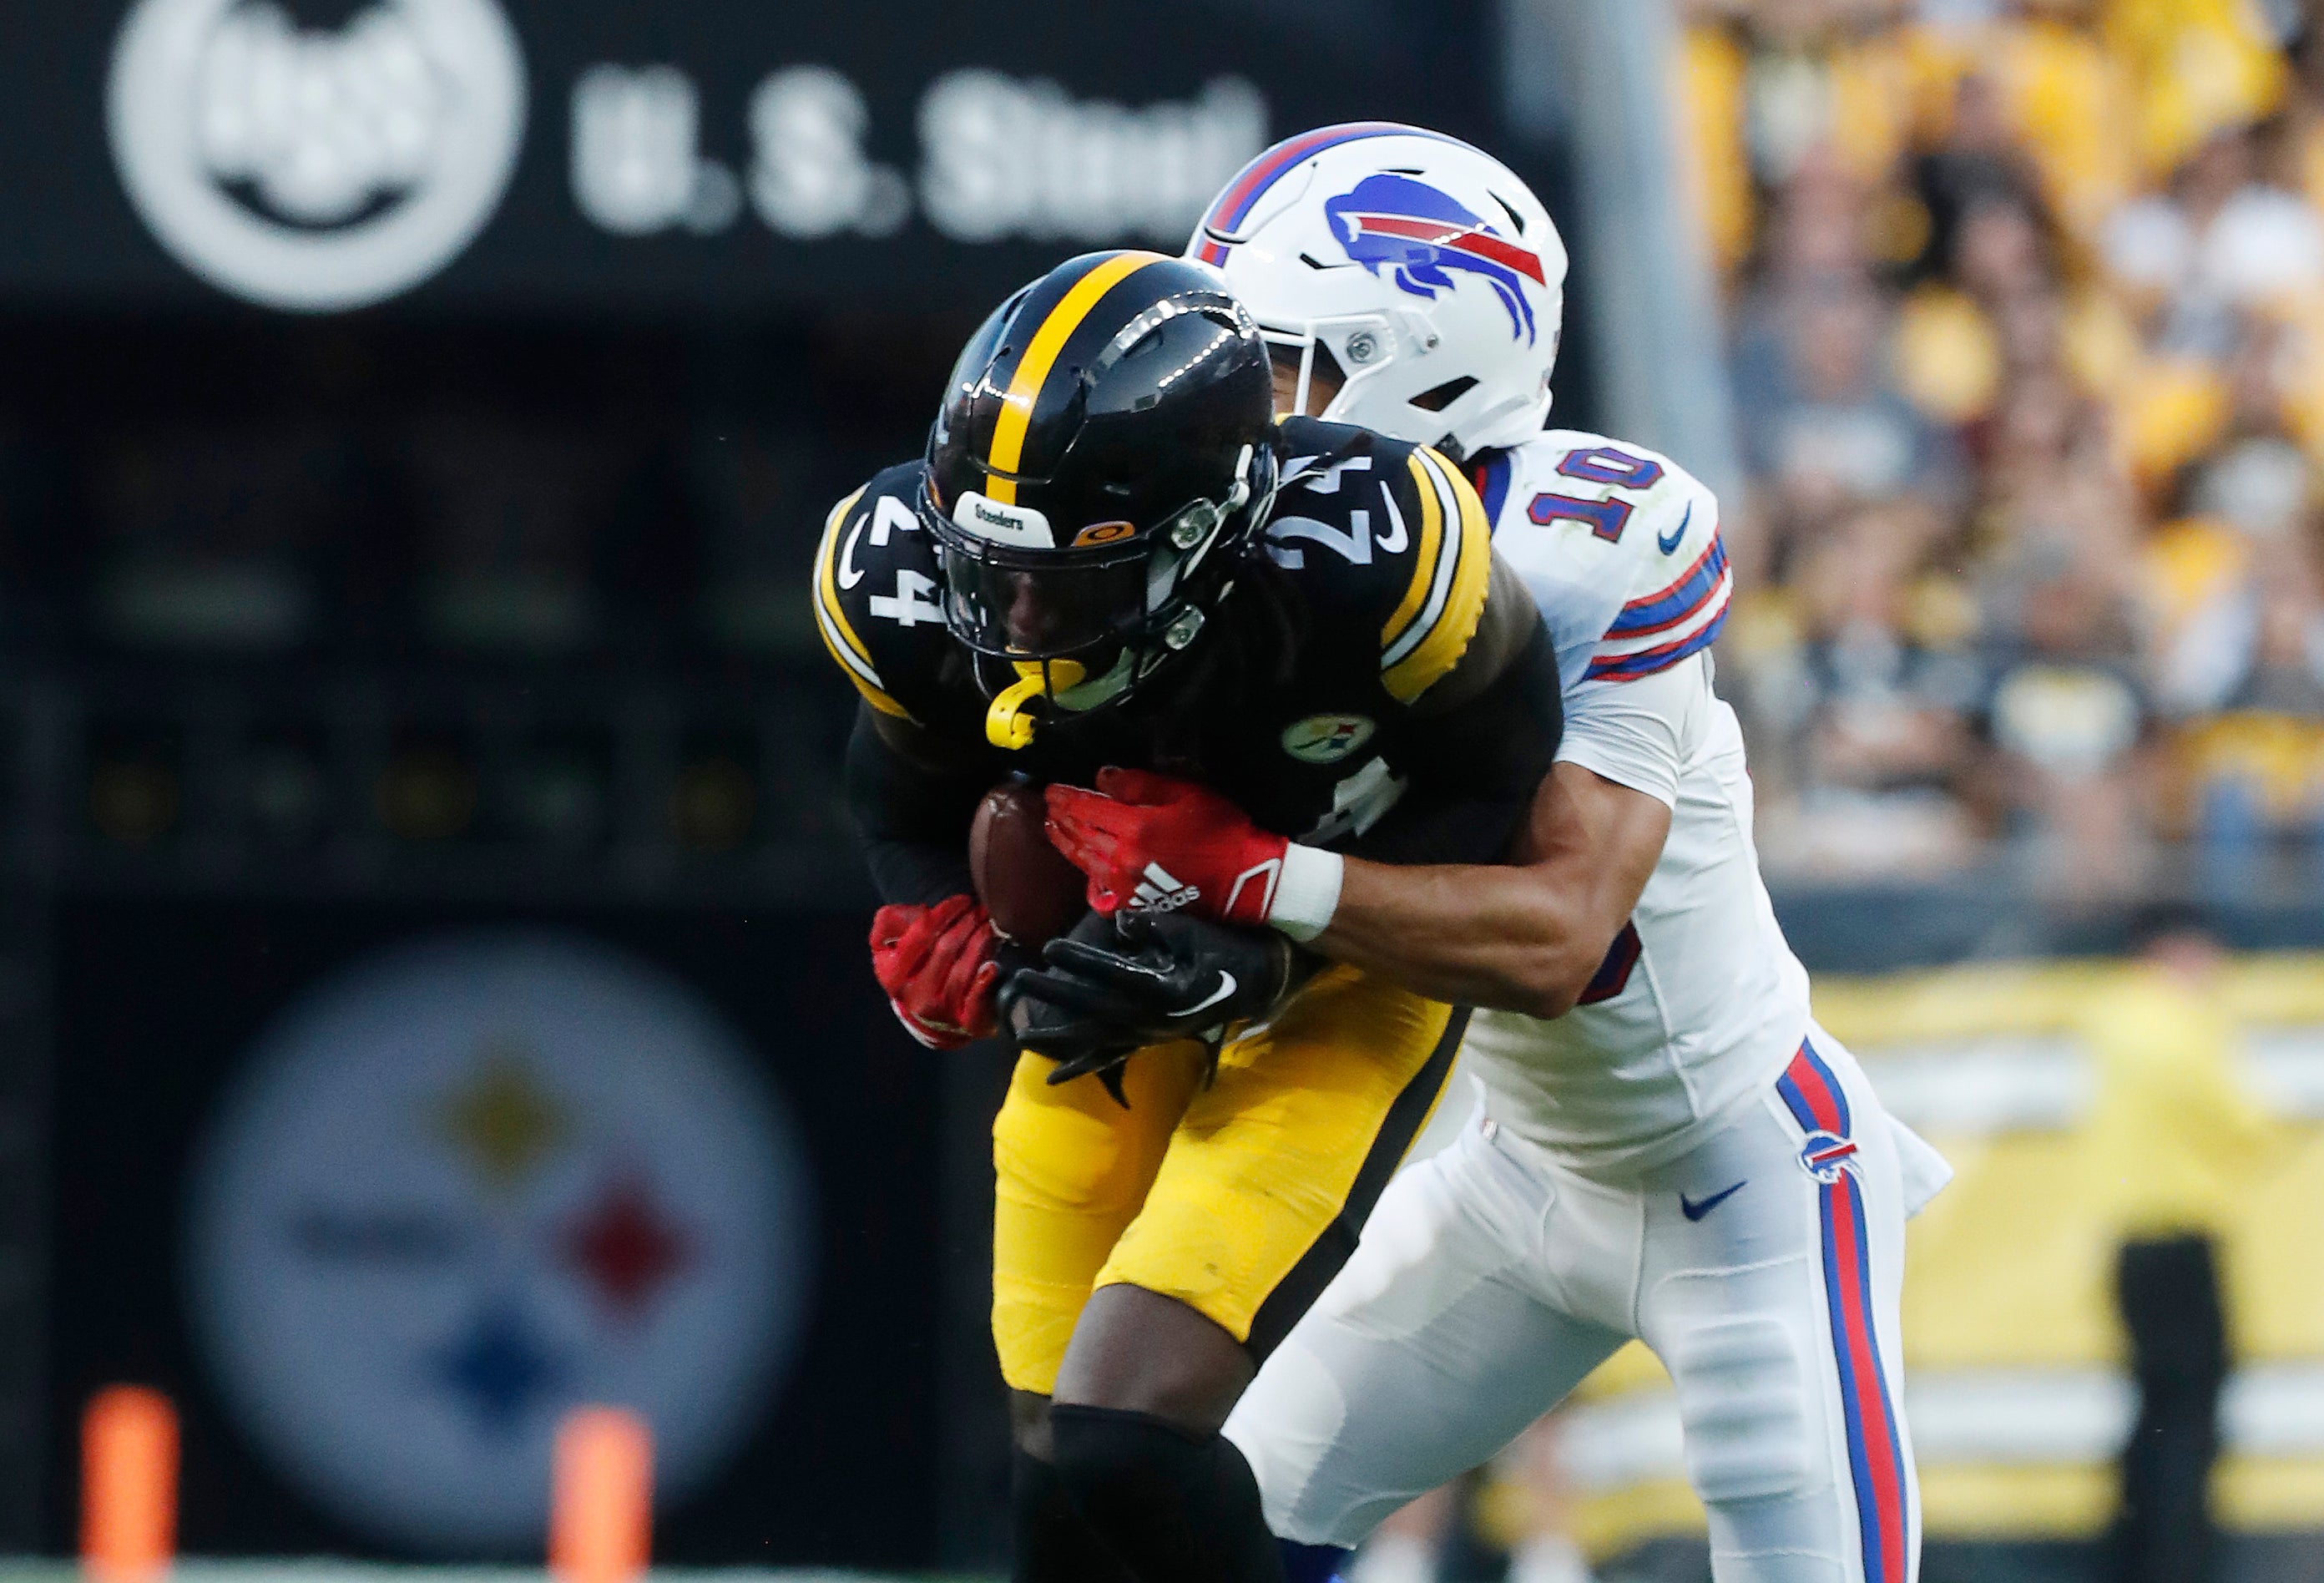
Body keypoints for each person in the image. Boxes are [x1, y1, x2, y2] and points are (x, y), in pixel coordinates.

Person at [1038, 124, 1956, 1582]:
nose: (1235, 413)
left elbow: (1562, 936)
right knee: (1198, 1544)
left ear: (1422, 358)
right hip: (1513, 1177)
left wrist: (1254, 876)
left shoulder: (1591, 541)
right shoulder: (1265, 569)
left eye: (1274, 364)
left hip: (1745, 1181)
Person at [816, 249, 1569, 1582]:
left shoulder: (1373, 551)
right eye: (992, 570)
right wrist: (936, 926)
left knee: (1124, 1440)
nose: (1025, 617)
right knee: (1057, 1490)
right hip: (1114, 980)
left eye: (1075, 578)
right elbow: (902, 790)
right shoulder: (902, 577)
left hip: (1340, 968)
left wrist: (1273, 934)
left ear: (1211, 527)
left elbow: (1500, 781)